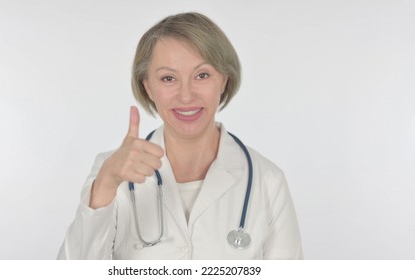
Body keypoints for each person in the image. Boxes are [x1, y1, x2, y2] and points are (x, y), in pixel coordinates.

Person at [57, 12, 302, 259]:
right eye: (168, 78)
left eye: (202, 75)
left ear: (224, 80)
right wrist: (106, 185)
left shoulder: (267, 181)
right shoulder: (111, 173)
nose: (186, 96)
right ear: (148, 87)